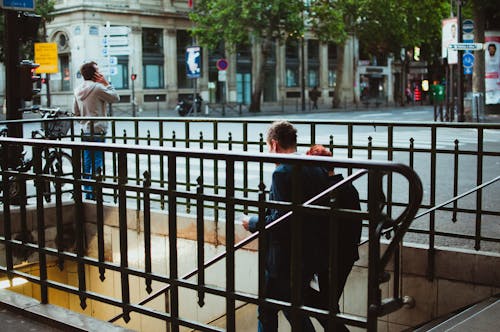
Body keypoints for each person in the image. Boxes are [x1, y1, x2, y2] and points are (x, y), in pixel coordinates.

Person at [241, 121, 330, 331]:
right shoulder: (314, 166)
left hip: (283, 260)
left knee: (267, 309)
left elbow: (281, 221)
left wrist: (252, 222)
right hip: (310, 255)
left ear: (273, 144)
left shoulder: (281, 172)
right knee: (293, 309)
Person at [304, 144, 362, 332]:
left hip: (330, 255)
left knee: (322, 305)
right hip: (344, 253)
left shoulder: (325, 190)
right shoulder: (346, 186)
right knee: (329, 306)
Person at [73, 61, 120, 200]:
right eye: (98, 71)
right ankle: (95, 195)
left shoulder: (77, 90)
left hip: (85, 131)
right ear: (95, 74)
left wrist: (84, 122)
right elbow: (115, 98)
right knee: (97, 162)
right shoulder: (98, 88)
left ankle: (88, 193)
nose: (101, 73)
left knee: (87, 162)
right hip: (98, 130)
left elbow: (75, 112)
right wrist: (106, 83)